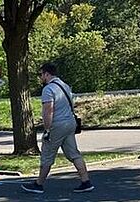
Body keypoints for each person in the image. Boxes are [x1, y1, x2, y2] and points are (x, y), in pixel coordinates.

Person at [22, 62, 94, 194]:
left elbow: (48, 111)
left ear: (47, 74)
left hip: (57, 125)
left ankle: (38, 184)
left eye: (41, 74)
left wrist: (47, 130)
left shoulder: (48, 89)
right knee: (74, 153)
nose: (40, 78)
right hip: (70, 123)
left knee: (47, 155)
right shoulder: (65, 86)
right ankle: (86, 182)